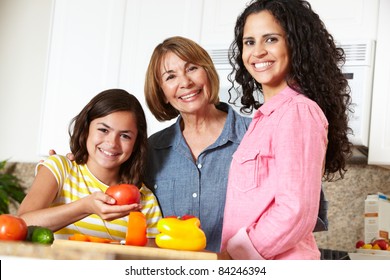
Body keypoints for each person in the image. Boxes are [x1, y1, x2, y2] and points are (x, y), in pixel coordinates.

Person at [219, 0, 352, 259]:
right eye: (249, 42)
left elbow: (296, 211)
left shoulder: (297, 111)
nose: (257, 52)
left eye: (270, 39)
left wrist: (237, 257)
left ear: (296, 45)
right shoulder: (267, 116)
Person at [143, 36, 252, 252]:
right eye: (170, 76)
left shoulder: (256, 134)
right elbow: (113, 191)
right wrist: (71, 166)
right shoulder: (151, 151)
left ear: (208, 72)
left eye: (192, 68)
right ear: (162, 93)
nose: (185, 82)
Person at [18, 89, 162, 241]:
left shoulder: (144, 199)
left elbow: (152, 257)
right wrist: (85, 207)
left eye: (125, 136)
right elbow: (21, 224)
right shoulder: (60, 169)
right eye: (103, 130)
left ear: (136, 143)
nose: (112, 143)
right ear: (86, 128)